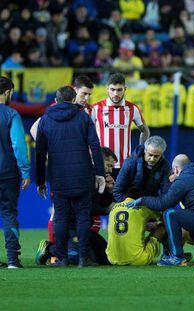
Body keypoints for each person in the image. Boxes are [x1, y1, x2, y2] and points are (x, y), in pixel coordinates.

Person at [36, 86, 106, 267]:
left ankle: (62, 258)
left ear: (56, 99)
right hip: (83, 175)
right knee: (83, 217)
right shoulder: (83, 117)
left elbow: (40, 153)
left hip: (58, 177)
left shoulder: (46, 119)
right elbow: (95, 146)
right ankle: (83, 258)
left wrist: (41, 180)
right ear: (74, 99)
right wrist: (99, 173)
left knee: (60, 217)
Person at [126, 154, 194, 266]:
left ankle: (177, 257)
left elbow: (163, 203)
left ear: (175, 169)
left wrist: (142, 200)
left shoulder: (183, 180)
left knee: (170, 213)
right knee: (189, 227)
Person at [35, 147, 118, 266]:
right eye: (109, 165)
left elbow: (101, 203)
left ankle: (76, 251)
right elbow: (82, 207)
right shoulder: (82, 176)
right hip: (68, 227)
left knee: (107, 259)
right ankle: (49, 249)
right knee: (75, 258)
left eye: (112, 167)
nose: (111, 170)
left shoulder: (101, 179)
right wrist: (107, 209)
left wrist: (110, 190)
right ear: (98, 160)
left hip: (84, 228)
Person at [107, 136, 171, 265]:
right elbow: (118, 190)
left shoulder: (165, 166)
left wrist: (156, 209)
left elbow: (166, 195)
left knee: (168, 219)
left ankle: (170, 254)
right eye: (150, 155)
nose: (152, 159)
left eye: (156, 156)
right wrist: (129, 205)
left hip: (149, 204)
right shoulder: (130, 163)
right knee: (164, 225)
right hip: (129, 202)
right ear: (144, 151)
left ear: (162, 155)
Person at [91, 73, 150, 176]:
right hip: (101, 164)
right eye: (112, 89)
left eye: (119, 90)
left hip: (124, 166)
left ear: (125, 89)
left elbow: (145, 131)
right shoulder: (95, 108)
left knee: (122, 192)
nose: (115, 94)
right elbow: (85, 133)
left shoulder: (132, 108)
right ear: (107, 89)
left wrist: (140, 152)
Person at [0, 76, 30, 269]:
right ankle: (12, 260)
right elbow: (19, 145)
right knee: (8, 213)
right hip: (7, 172)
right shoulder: (11, 114)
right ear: (8, 92)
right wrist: (25, 171)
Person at [30, 75, 95, 140]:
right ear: (75, 90)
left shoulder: (91, 110)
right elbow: (34, 129)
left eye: (89, 94)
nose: (87, 98)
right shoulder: (57, 107)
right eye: (84, 93)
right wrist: (47, 148)